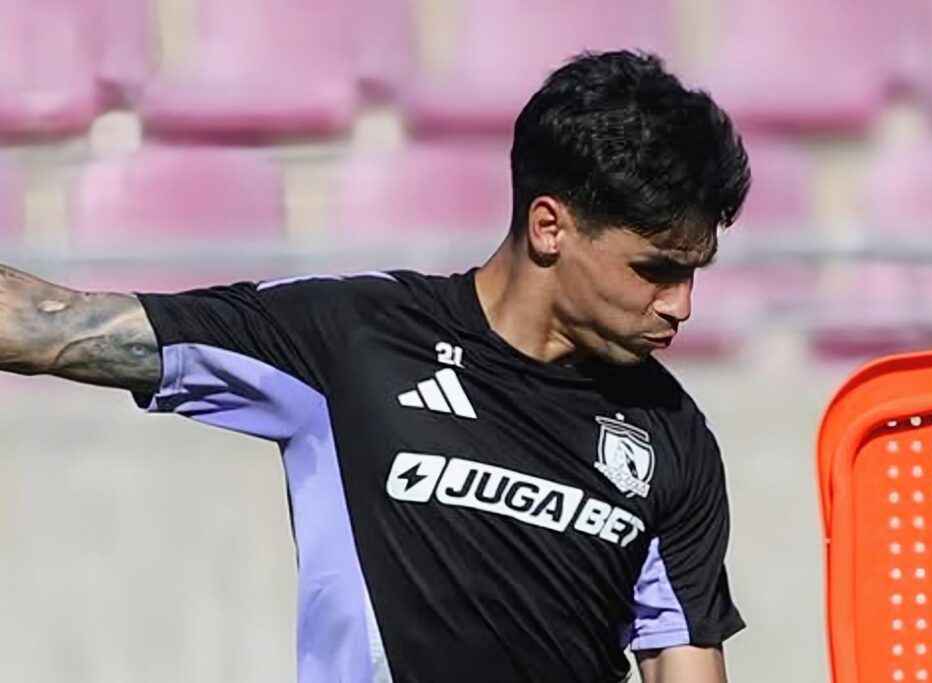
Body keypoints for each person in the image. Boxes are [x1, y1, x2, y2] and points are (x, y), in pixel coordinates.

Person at [0, 50, 750, 682]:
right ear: (550, 226)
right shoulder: (350, 339)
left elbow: (684, 661)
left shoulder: (671, 433)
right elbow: (54, 327)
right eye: (656, 269)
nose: (681, 305)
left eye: (694, 273)